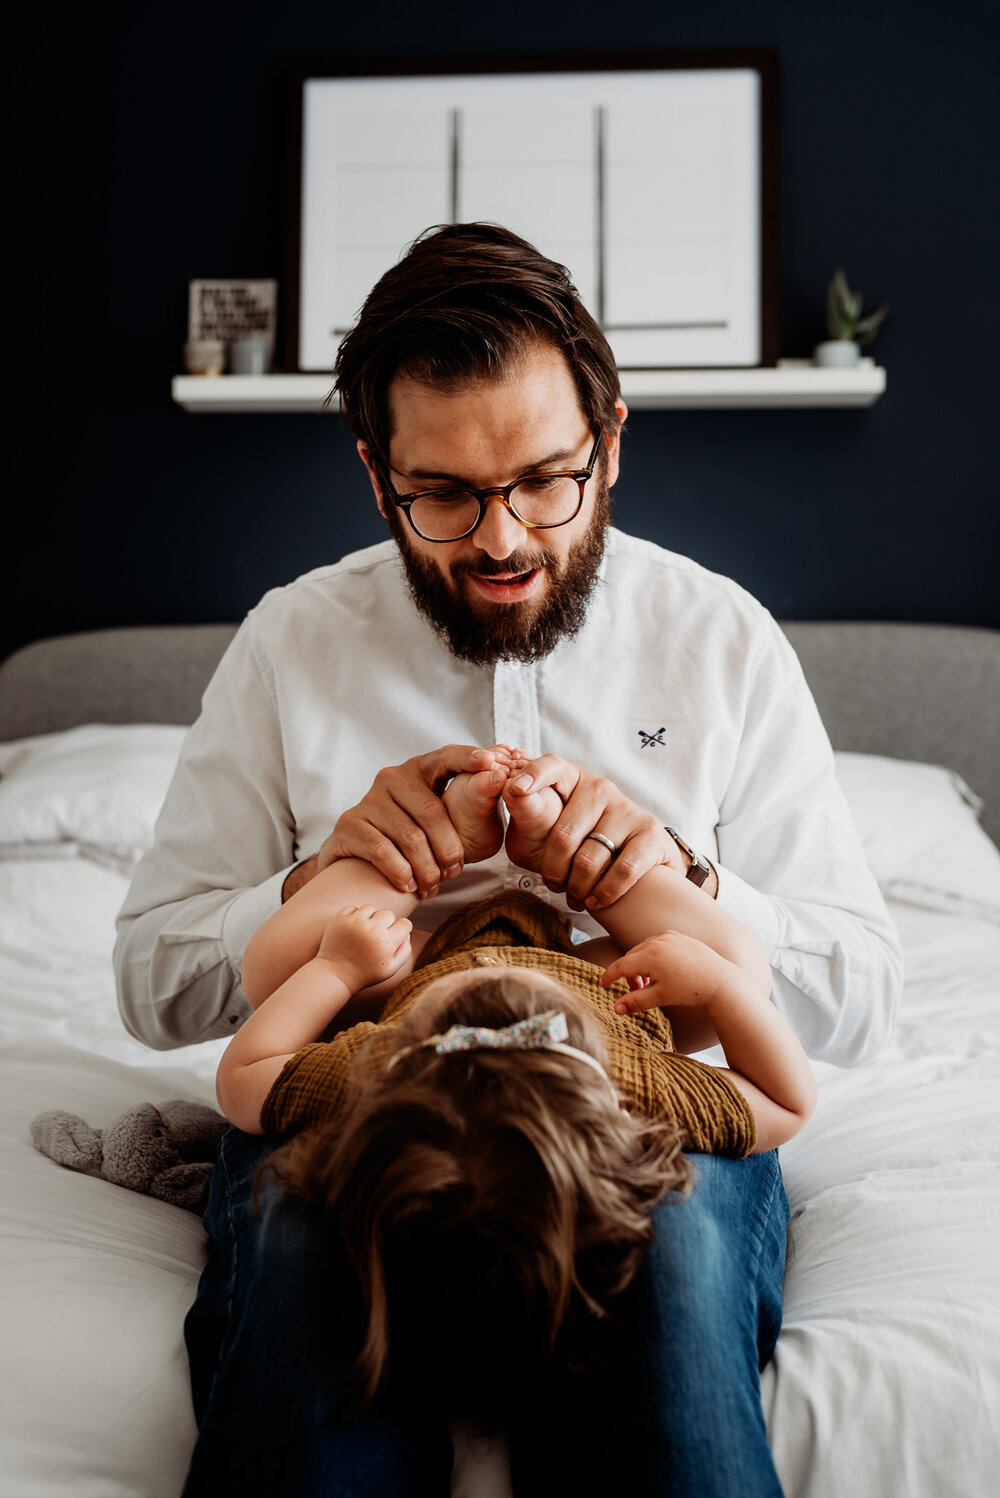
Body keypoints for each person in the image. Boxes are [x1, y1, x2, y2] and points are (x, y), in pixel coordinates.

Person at [114, 221, 901, 1496]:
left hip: (632, 1093)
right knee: (311, 1284)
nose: (500, 541)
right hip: (366, 1075)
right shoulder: (288, 645)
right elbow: (149, 977)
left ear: (612, 440)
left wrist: (686, 884)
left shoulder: (721, 642)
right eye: (444, 494)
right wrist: (319, 887)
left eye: (547, 479)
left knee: (680, 1278)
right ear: (377, 477)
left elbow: (866, 994)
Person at [211, 751, 815, 1436]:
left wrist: (336, 967)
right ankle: (586, 858)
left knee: (272, 970)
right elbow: (787, 1102)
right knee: (738, 964)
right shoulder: (637, 1093)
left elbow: (246, 1074)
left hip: (426, 960)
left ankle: (420, 846)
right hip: (603, 981)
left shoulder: (380, 1072)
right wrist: (720, 989)